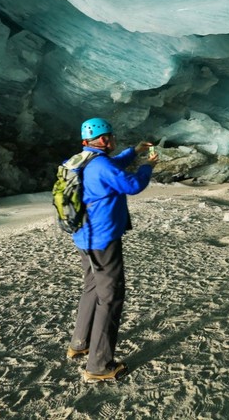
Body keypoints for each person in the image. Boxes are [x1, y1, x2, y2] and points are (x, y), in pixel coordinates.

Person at [66, 117, 157, 382]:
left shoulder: (81, 160)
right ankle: (99, 365)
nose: (114, 140)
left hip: (84, 237)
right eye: (111, 136)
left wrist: (135, 152)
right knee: (110, 297)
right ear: (105, 140)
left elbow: (110, 166)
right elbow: (132, 185)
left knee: (92, 287)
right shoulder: (101, 164)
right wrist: (147, 166)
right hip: (103, 240)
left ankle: (79, 343)